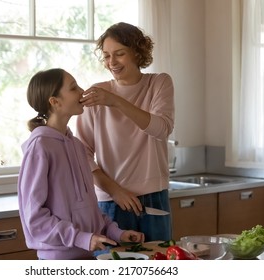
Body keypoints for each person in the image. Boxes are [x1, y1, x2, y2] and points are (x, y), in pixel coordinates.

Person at [17, 68, 144, 260]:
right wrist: (78, 237)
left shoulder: (76, 145)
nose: (82, 91)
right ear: (55, 102)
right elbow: (34, 218)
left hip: (86, 255)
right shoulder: (40, 147)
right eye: (73, 88)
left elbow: (89, 206)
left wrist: (116, 233)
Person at [77, 22, 175, 241]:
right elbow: (81, 153)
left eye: (119, 54)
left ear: (138, 53)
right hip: (111, 200)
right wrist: (114, 191)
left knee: (158, 266)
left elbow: (162, 128)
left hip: (154, 196)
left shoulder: (159, 83)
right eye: (106, 56)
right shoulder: (97, 93)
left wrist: (116, 101)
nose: (112, 62)